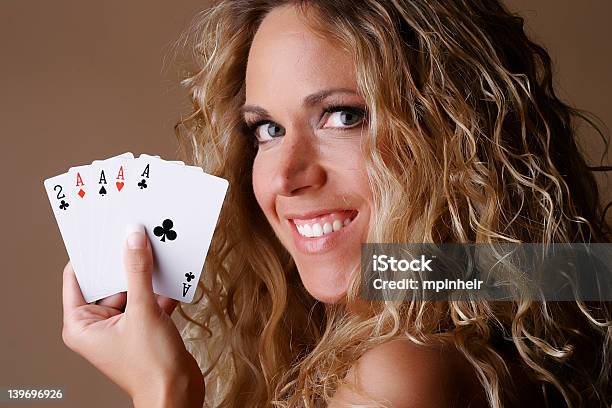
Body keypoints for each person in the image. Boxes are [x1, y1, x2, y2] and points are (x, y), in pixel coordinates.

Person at [61, 0, 612, 406]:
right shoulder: (506, 323)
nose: (286, 177)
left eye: (344, 116)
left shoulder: (401, 374)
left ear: (459, 136)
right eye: (267, 129)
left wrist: (163, 389)